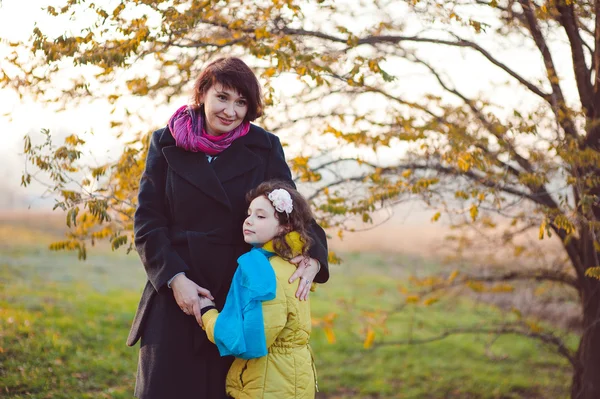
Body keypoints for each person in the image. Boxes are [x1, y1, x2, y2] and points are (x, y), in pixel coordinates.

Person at [127, 57, 329, 399]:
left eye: (241, 102)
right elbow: (148, 222)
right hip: (175, 292)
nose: (230, 111)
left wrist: (313, 254)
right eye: (222, 97)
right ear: (202, 93)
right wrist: (175, 280)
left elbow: (289, 209)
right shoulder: (164, 143)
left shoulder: (263, 146)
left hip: (236, 297)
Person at [199, 180, 318, 399]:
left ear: (285, 226)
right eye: (249, 213)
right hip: (295, 378)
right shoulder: (294, 263)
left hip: (267, 384)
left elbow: (248, 341)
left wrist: (207, 314)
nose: (249, 221)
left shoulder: (260, 268)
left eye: (260, 216)